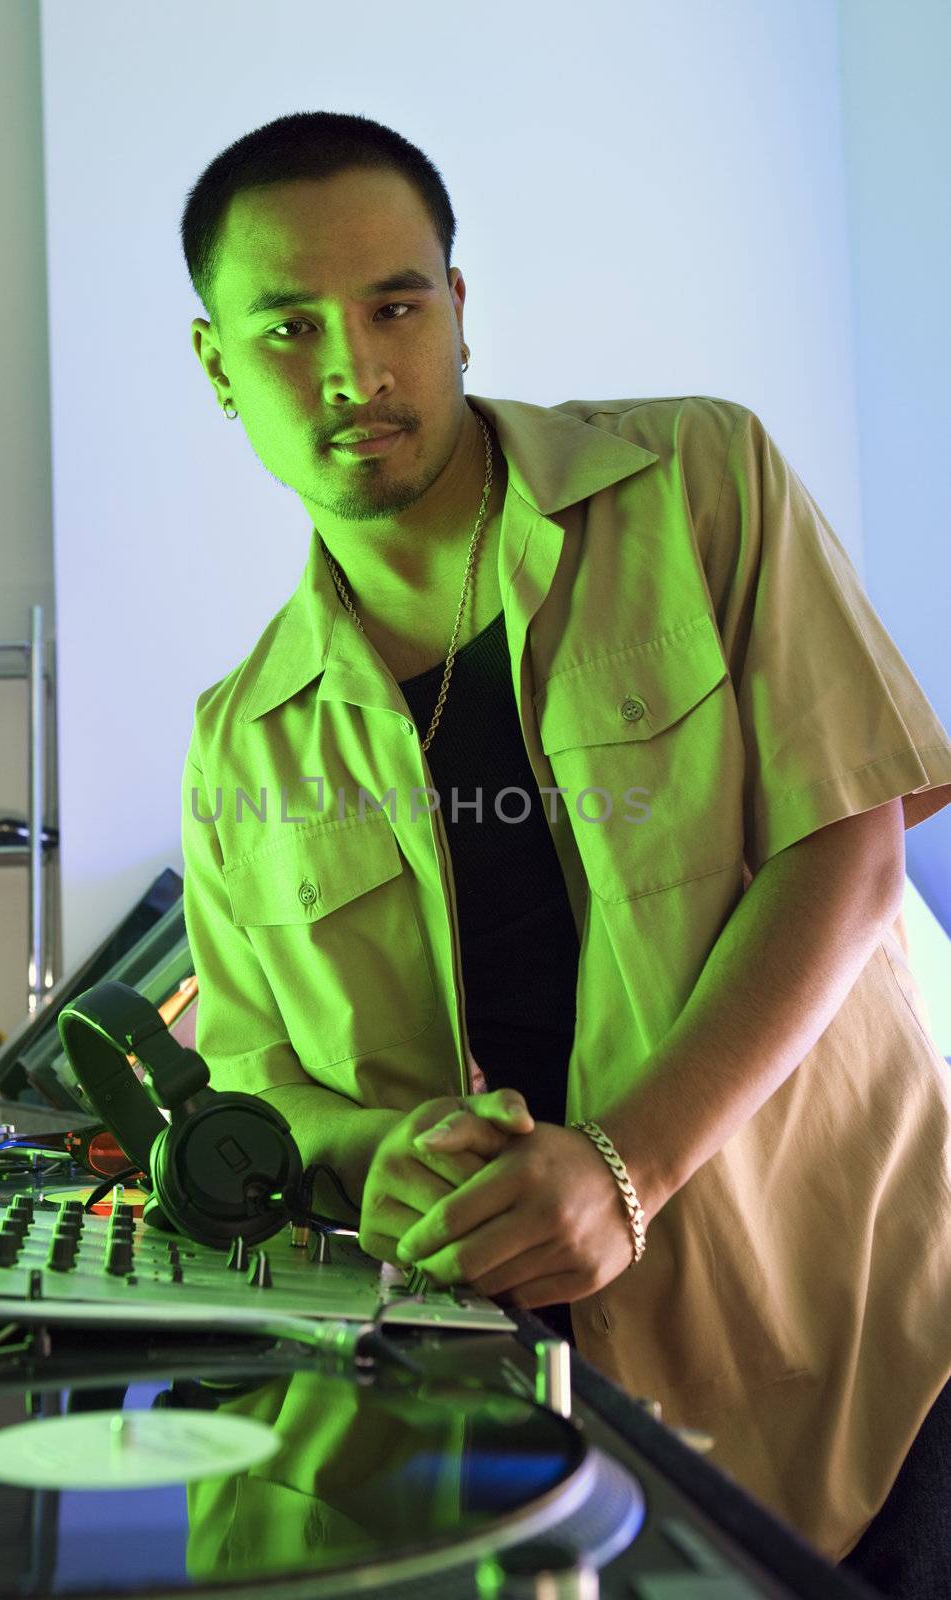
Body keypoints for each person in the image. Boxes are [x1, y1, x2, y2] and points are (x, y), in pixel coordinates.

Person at [178, 109, 951, 1592]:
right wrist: (382, 1159)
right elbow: (267, 1090)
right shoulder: (242, 740)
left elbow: (849, 849)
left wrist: (624, 1166)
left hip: (853, 1338)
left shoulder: (697, 480)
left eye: (396, 304)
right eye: (287, 328)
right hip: (525, 1425)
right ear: (216, 364)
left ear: (459, 312)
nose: (356, 369)